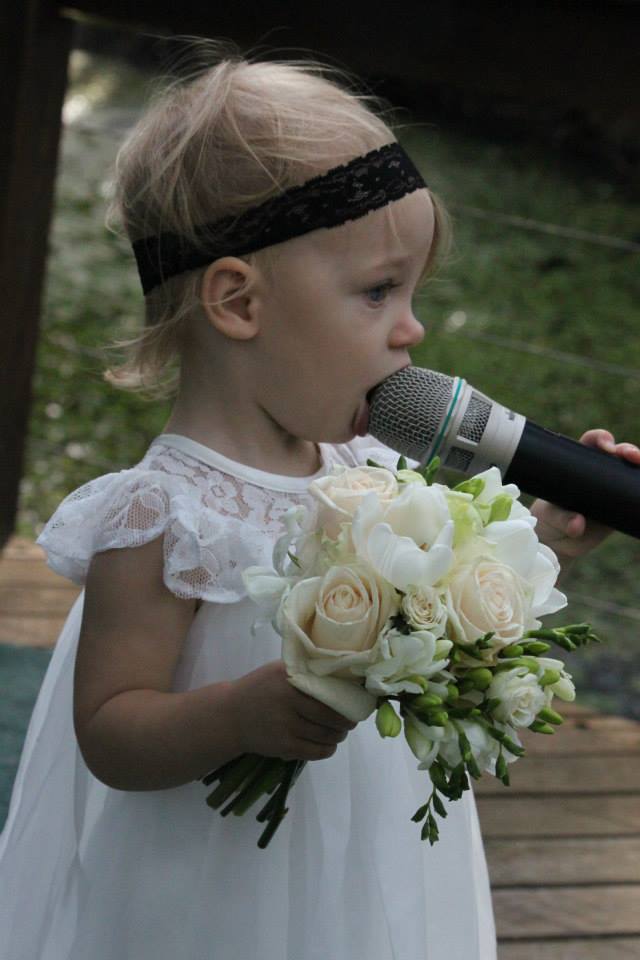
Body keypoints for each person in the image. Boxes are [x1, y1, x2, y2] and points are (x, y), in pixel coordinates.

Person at [0, 48, 638, 960]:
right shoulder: (164, 516)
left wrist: (545, 540)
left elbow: (430, 609)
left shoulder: (368, 459)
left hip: (363, 846)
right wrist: (232, 716)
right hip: (216, 880)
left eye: (411, 292)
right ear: (238, 301)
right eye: (379, 291)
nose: (411, 328)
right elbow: (109, 730)